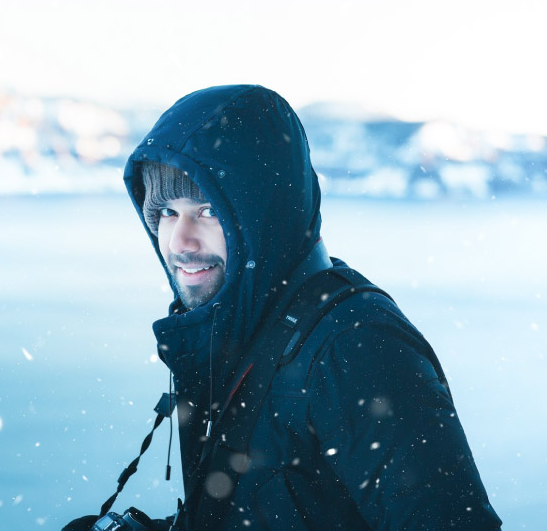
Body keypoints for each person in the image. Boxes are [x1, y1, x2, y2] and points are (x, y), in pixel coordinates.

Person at [64, 85, 501, 530]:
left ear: (264, 216)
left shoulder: (355, 345)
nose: (180, 242)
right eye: (166, 213)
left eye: (208, 210)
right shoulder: (242, 326)